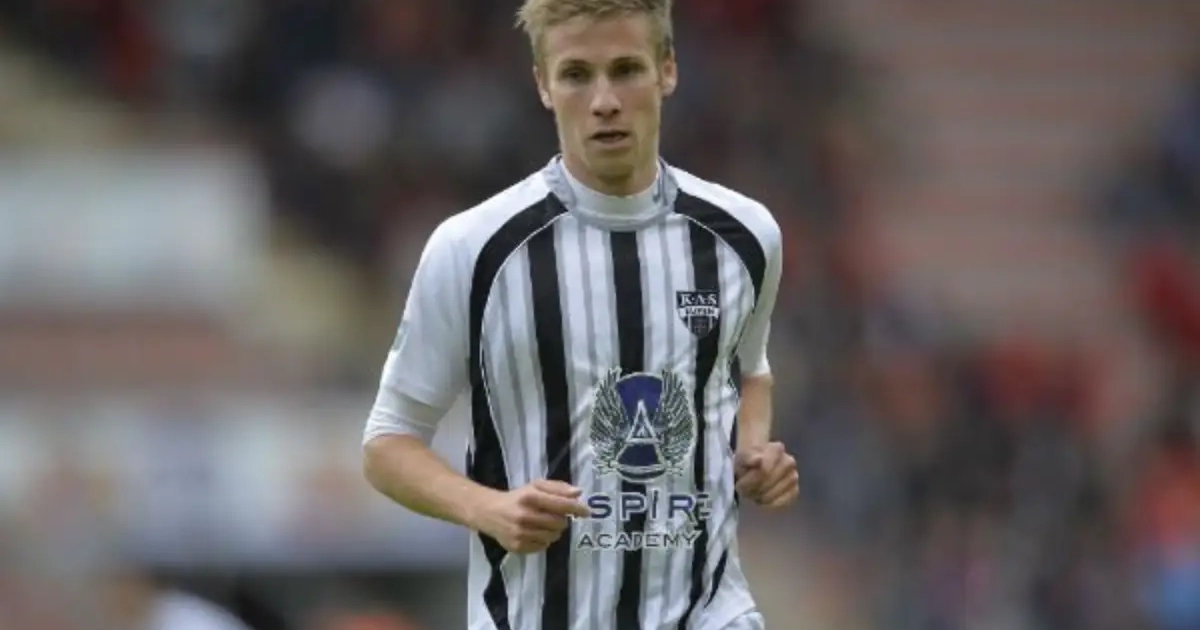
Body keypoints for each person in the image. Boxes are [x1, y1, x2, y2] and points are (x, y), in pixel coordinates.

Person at [362, 1, 799, 628]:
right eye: (576, 75)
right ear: (543, 84)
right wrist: (488, 509)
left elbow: (750, 370)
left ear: (667, 70)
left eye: (626, 69)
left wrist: (753, 452)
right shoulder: (474, 249)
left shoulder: (746, 235)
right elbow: (388, 442)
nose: (604, 101)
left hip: (710, 613)